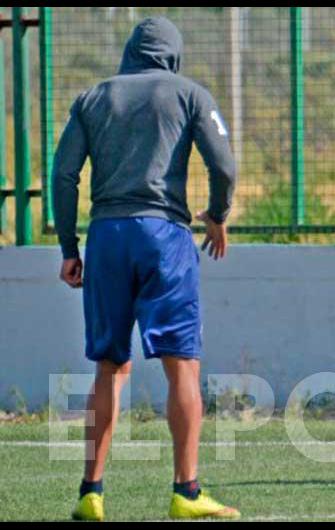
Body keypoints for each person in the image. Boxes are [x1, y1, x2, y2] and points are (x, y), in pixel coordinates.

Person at [53, 17, 239, 519]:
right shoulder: (189, 94)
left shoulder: (93, 97)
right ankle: (187, 492)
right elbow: (224, 165)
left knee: (110, 367)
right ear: (173, 56)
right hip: (165, 237)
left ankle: (91, 492)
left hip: (108, 237)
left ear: (130, 53)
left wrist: (70, 247)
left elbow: (64, 174)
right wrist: (217, 215)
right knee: (183, 362)